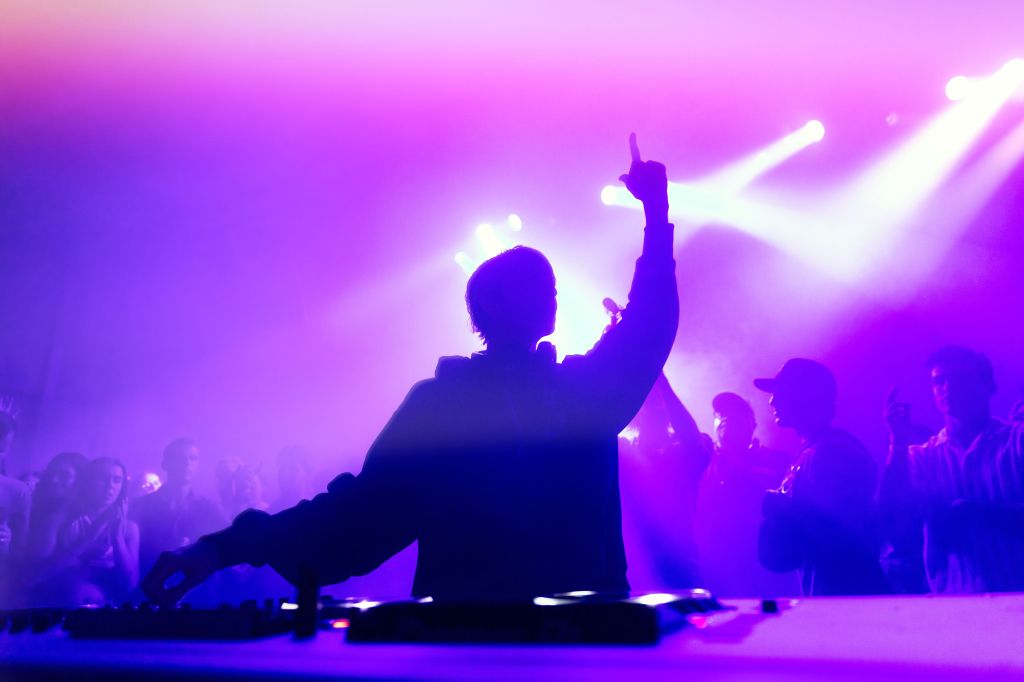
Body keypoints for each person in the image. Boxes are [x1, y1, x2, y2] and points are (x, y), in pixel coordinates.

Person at [143, 135, 679, 605]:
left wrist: (224, 547)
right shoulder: (571, 394)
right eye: (542, 289)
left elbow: (355, 520)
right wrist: (226, 546)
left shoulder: (447, 405)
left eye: (551, 288)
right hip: (563, 640)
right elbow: (356, 518)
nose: (554, 298)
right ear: (503, 307)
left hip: (477, 641)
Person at [879, 346, 1024, 593]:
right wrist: (898, 443)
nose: (948, 387)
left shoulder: (1015, 442)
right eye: (939, 381)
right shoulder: (922, 456)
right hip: (954, 600)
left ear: (989, 386)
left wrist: (987, 515)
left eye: (960, 378)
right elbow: (892, 520)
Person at [755, 359, 886, 596]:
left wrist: (785, 511)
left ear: (806, 396)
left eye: (781, 392)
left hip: (847, 598)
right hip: (830, 594)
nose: (772, 401)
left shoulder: (831, 452)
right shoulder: (814, 449)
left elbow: (844, 537)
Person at [696, 392, 796, 597]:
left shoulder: (775, 462)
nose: (725, 421)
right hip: (719, 566)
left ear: (752, 424)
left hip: (763, 566)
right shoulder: (704, 462)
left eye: (734, 415)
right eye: (720, 415)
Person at [619, 373, 711, 590]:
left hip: (678, 564)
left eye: (656, 403)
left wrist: (661, 383)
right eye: (647, 402)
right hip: (632, 567)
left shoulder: (678, 455)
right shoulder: (624, 454)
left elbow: (690, 438)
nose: (652, 407)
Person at [36, 457, 139, 605]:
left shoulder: (129, 528)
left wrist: (117, 538)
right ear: (88, 481)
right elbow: (38, 575)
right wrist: (88, 539)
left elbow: (129, 585)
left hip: (107, 606)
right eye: (102, 479)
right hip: (62, 601)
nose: (110, 486)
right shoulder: (59, 521)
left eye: (117, 480)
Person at [131, 438, 225, 580]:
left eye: (193, 458)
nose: (187, 463)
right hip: (151, 578)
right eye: (180, 458)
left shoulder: (208, 507)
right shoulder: (143, 506)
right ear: (165, 464)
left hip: (195, 584)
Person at [26, 452, 89, 564]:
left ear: (80, 480)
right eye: (51, 474)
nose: (54, 480)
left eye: (65, 475)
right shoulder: (35, 505)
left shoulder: (84, 518)